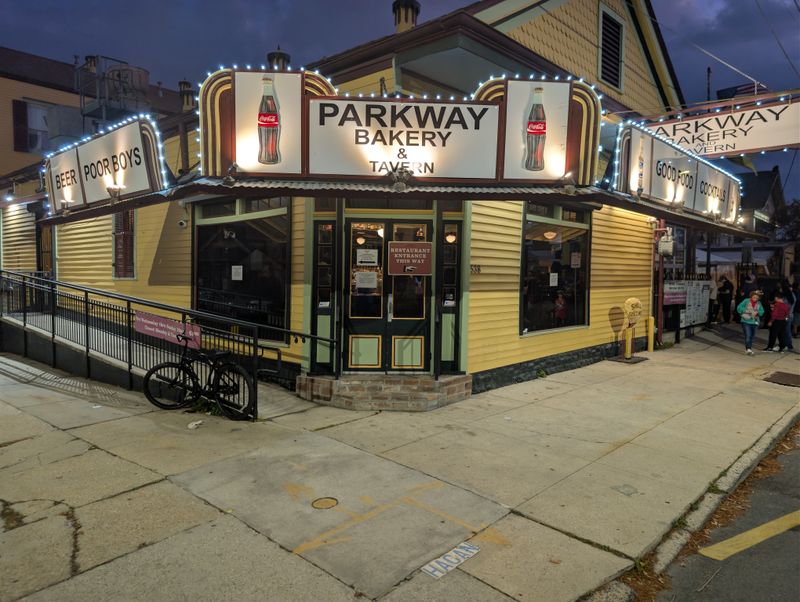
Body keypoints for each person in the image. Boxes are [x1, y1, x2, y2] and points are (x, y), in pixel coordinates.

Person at [737, 290, 764, 355]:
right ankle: (748, 349)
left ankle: (749, 348)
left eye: (757, 298)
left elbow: (762, 311)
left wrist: (757, 313)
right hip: (746, 321)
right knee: (748, 335)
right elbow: (739, 308)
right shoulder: (746, 300)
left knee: (752, 336)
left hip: (755, 322)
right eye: (754, 297)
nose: (755, 299)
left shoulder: (759, 303)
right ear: (751, 296)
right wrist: (746, 311)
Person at [780, 280, 795, 351]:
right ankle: (788, 344)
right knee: (787, 330)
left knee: (786, 330)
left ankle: (788, 344)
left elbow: (785, 307)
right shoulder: (792, 296)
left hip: (786, 316)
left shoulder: (786, 297)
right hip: (790, 315)